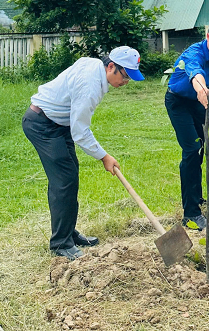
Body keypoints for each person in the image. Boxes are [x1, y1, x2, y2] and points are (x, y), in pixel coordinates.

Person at [22, 46, 144, 260]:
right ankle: (61, 243)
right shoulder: (90, 85)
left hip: (59, 124)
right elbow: (80, 132)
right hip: (43, 125)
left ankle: (68, 232)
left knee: (70, 176)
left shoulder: (95, 67)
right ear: (111, 66)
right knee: (64, 181)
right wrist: (104, 156)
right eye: (125, 76)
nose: (126, 83)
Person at [165, 19, 209, 231]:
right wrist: (201, 89)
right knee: (192, 150)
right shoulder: (192, 54)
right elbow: (197, 74)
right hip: (179, 103)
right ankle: (191, 213)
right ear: (208, 37)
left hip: (199, 103)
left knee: (200, 149)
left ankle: (195, 195)